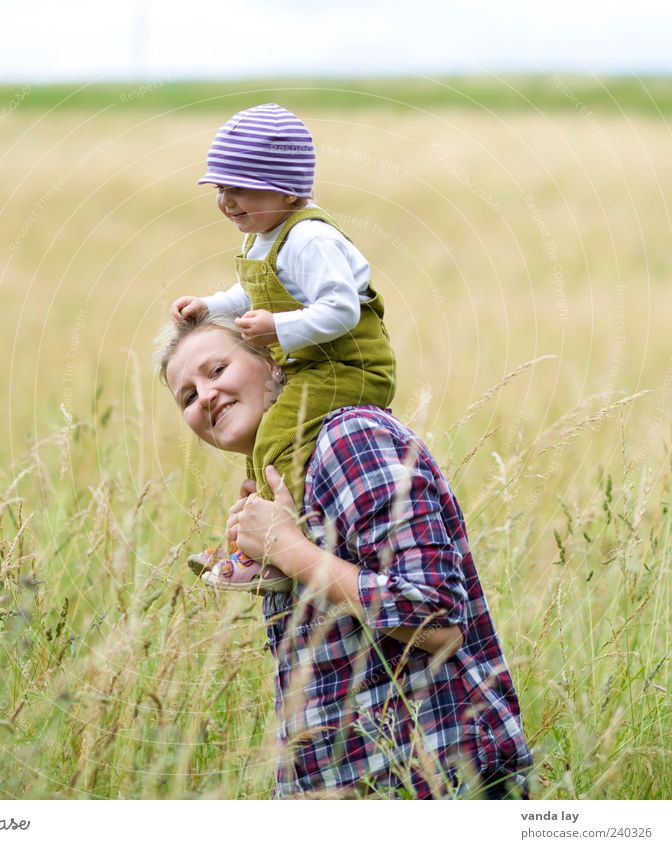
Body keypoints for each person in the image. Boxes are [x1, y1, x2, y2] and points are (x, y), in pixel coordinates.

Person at [157, 314, 533, 799]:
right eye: (187, 396)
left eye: (216, 370)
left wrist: (290, 550)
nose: (204, 395)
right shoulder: (289, 475)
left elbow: (436, 616)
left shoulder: (350, 438)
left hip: (434, 776)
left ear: (273, 359)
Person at [171, 103, 396, 590]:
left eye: (238, 188)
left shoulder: (310, 240)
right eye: (220, 189)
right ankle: (249, 544)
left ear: (286, 188)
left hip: (348, 365)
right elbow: (249, 293)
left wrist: (279, 326)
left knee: (278, 431)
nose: (226, 201)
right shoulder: (263, 238)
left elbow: (341, 310)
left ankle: (278, 548)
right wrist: (209, 307)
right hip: (315, 364)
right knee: (266, 442)